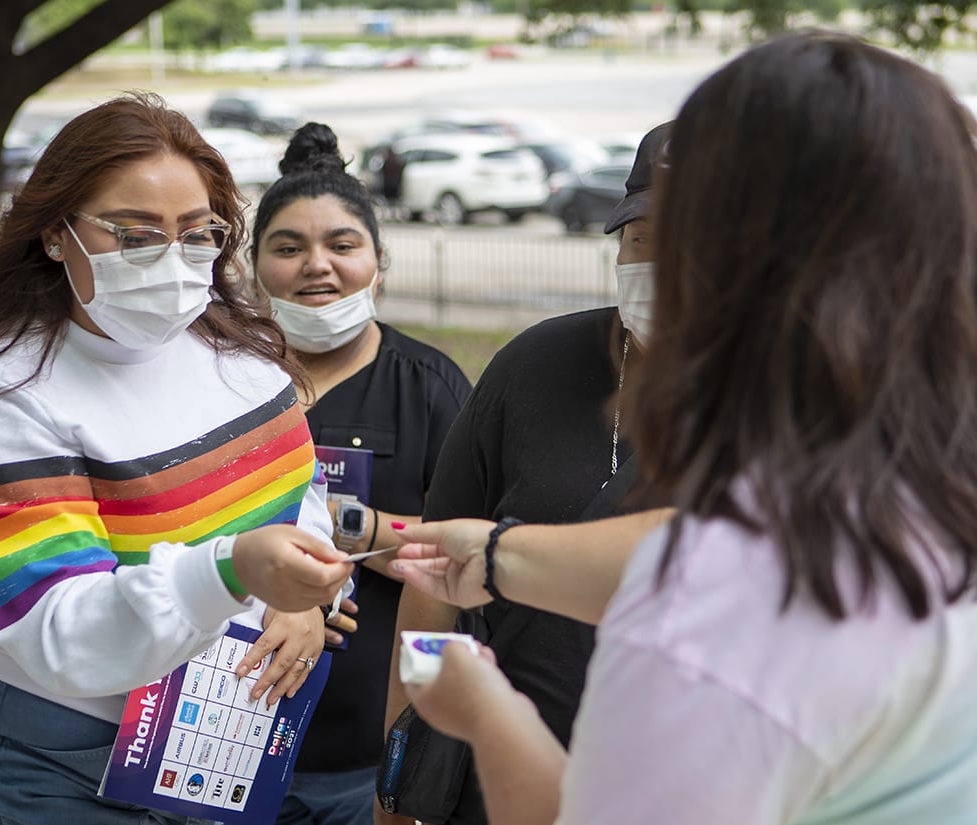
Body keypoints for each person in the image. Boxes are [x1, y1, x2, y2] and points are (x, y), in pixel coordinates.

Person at [393, 32, 977, 825]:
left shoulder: (703, 634)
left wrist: (489, 713)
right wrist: (500, 556)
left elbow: (713, 578)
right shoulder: (919, 486)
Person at [0, 93, 358, 825]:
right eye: (135, 235)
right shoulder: (0, 397)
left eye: (197, 232)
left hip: (193, 718)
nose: (173, 261)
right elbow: (59, 627)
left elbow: (292, 489)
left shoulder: (236, 351)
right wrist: (235, 570)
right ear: (55, 234)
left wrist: (302, 591)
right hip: (34, 728)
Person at [377, 123, 673, 825]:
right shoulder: (535, 366)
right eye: (642, 239)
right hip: (493, 775)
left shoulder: (801, 414)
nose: (662, 263)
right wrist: (399, 770)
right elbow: (431, 571)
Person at [251, 122, 473, 825]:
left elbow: (471, 551)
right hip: (226, 731)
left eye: (342, 244)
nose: (317, 265)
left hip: (371, 754)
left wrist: (354, 529)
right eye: (288, 247)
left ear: (380, 259)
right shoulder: (225, 386)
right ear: (254, 265)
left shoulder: (430, 387)